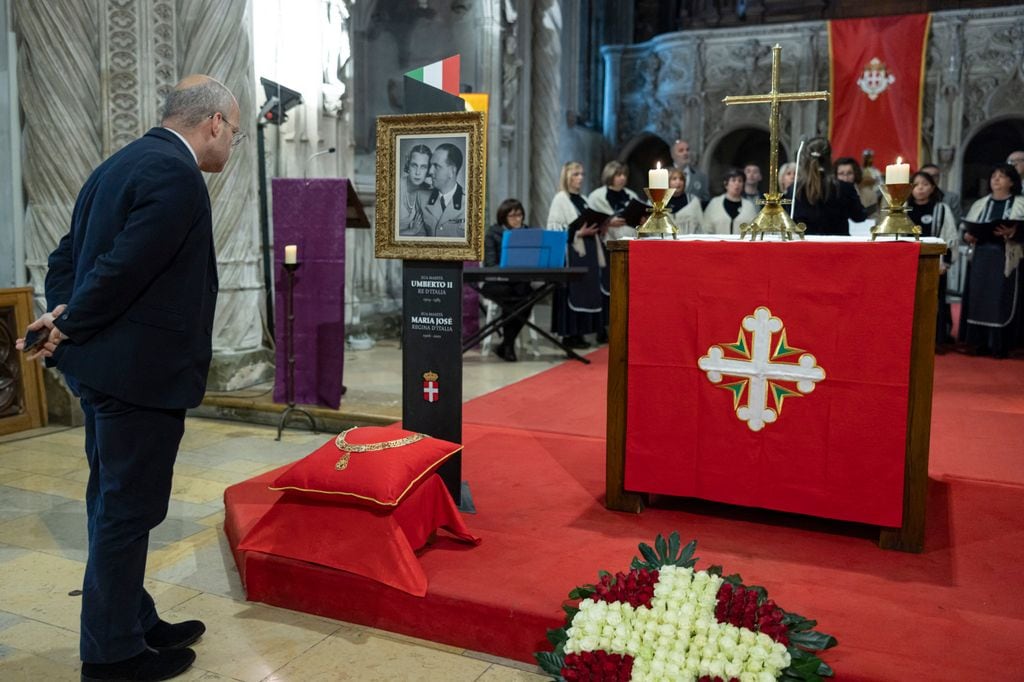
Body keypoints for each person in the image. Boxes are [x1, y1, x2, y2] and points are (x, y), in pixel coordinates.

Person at [15, 74, 240, 682]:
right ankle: (111, 654)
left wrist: (63, 315)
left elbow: (66, 258)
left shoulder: (119, 163)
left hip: (107, 372)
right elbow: (123, 265)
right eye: (235, 133)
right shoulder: (177, 173)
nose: (231, 145)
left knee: (113, 503)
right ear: (214, 122)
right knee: (126, 510)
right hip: (139, 374)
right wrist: (73, 324)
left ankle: (132, 617)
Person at [958, 163, 1024, 358]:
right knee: (979, 297)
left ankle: (1000, 344)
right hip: (981, 256)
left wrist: (1014, 232)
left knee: (1001, 299)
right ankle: (979, 342)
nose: (996, 179)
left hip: (1006, 257)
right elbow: (967, 230)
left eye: (1002, 176)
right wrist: (968, 237)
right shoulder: (980, 204)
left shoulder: (1020, 204)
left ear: (1012, 182)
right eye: (993, 176)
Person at [547, 161, 606, 348]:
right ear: (566, 177)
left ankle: (581, 332)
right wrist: (579, 233)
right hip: (571, 253)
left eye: (582, 174)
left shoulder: (584, 199)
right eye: (575, 174)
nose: (580, 178)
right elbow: (554, 229)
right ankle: (569, 334)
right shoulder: (560, 199)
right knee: (573, 292)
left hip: (588, 252)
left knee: (586, 292)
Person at [908, 170, 958, 347]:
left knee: (935, 302)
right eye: (916, 184)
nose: (920, 188)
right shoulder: (903, 209)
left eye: (925, 184)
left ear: (933, 188)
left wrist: (945, 262)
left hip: (934, 264)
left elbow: (949, 237)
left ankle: (936, 339)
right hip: (907, 264)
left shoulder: (941, 208)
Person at [482, 199, 533, 361]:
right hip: (496, 282)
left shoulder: (528, 233)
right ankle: (508, 346)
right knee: (512, 298)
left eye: (520, 215)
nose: (518, 219)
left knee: (529, 297)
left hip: (520, 283)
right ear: (503, 217)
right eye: (512, 216)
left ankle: (506, 344)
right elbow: (490, 265)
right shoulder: (493, 233)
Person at [785, 137, 865, 235]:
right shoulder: (844, 188)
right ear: (830, 157)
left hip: (805, 247)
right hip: (837, 247)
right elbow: (859, 217)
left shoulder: (793, 190)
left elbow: (789, 221)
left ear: (805, 158)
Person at [409, 142, 465, 238]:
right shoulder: (421, 198)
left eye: (436, 166)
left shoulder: (470, 202)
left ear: (452, 171)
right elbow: (419, 238)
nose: (430, 171)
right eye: (431, 165)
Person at [587, 160, 641, 240]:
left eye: (624, 175)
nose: (623, 177)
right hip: (608, 241)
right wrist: (607, 222)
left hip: (632, 238)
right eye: (619, 175)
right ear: (610, 175)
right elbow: (590, 221)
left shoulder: (632, 195)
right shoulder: (596, 196)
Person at [702, 168, 757, 235]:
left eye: (740, 181)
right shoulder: (715, 203)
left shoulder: (749, 206)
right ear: (726, 184)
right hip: (718, 244)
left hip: (742, 245)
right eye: (733, 180)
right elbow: (706, 228)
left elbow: (754, 230)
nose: (737, 183)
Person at [398, 143, 431, 234]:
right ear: (408, 166)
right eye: (414, 165)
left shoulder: (429, 191)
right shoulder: (396, 186)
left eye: (423, 167)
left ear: (428, 170)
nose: (418, 172)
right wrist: (412, 231)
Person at [671, 138, 710, 204]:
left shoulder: (701, 177)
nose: (685, 153)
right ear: (673, 155)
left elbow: (706, 201)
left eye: (687, 150)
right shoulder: (664, 175)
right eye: (681, 151)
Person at [667, 168, 703, 234]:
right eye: (674, 179)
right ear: (668, 182)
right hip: (665, 242)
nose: (678, 182)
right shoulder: (659, 201)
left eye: (681, 179)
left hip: (688, 242)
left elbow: (701, 226)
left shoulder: (693, 201)